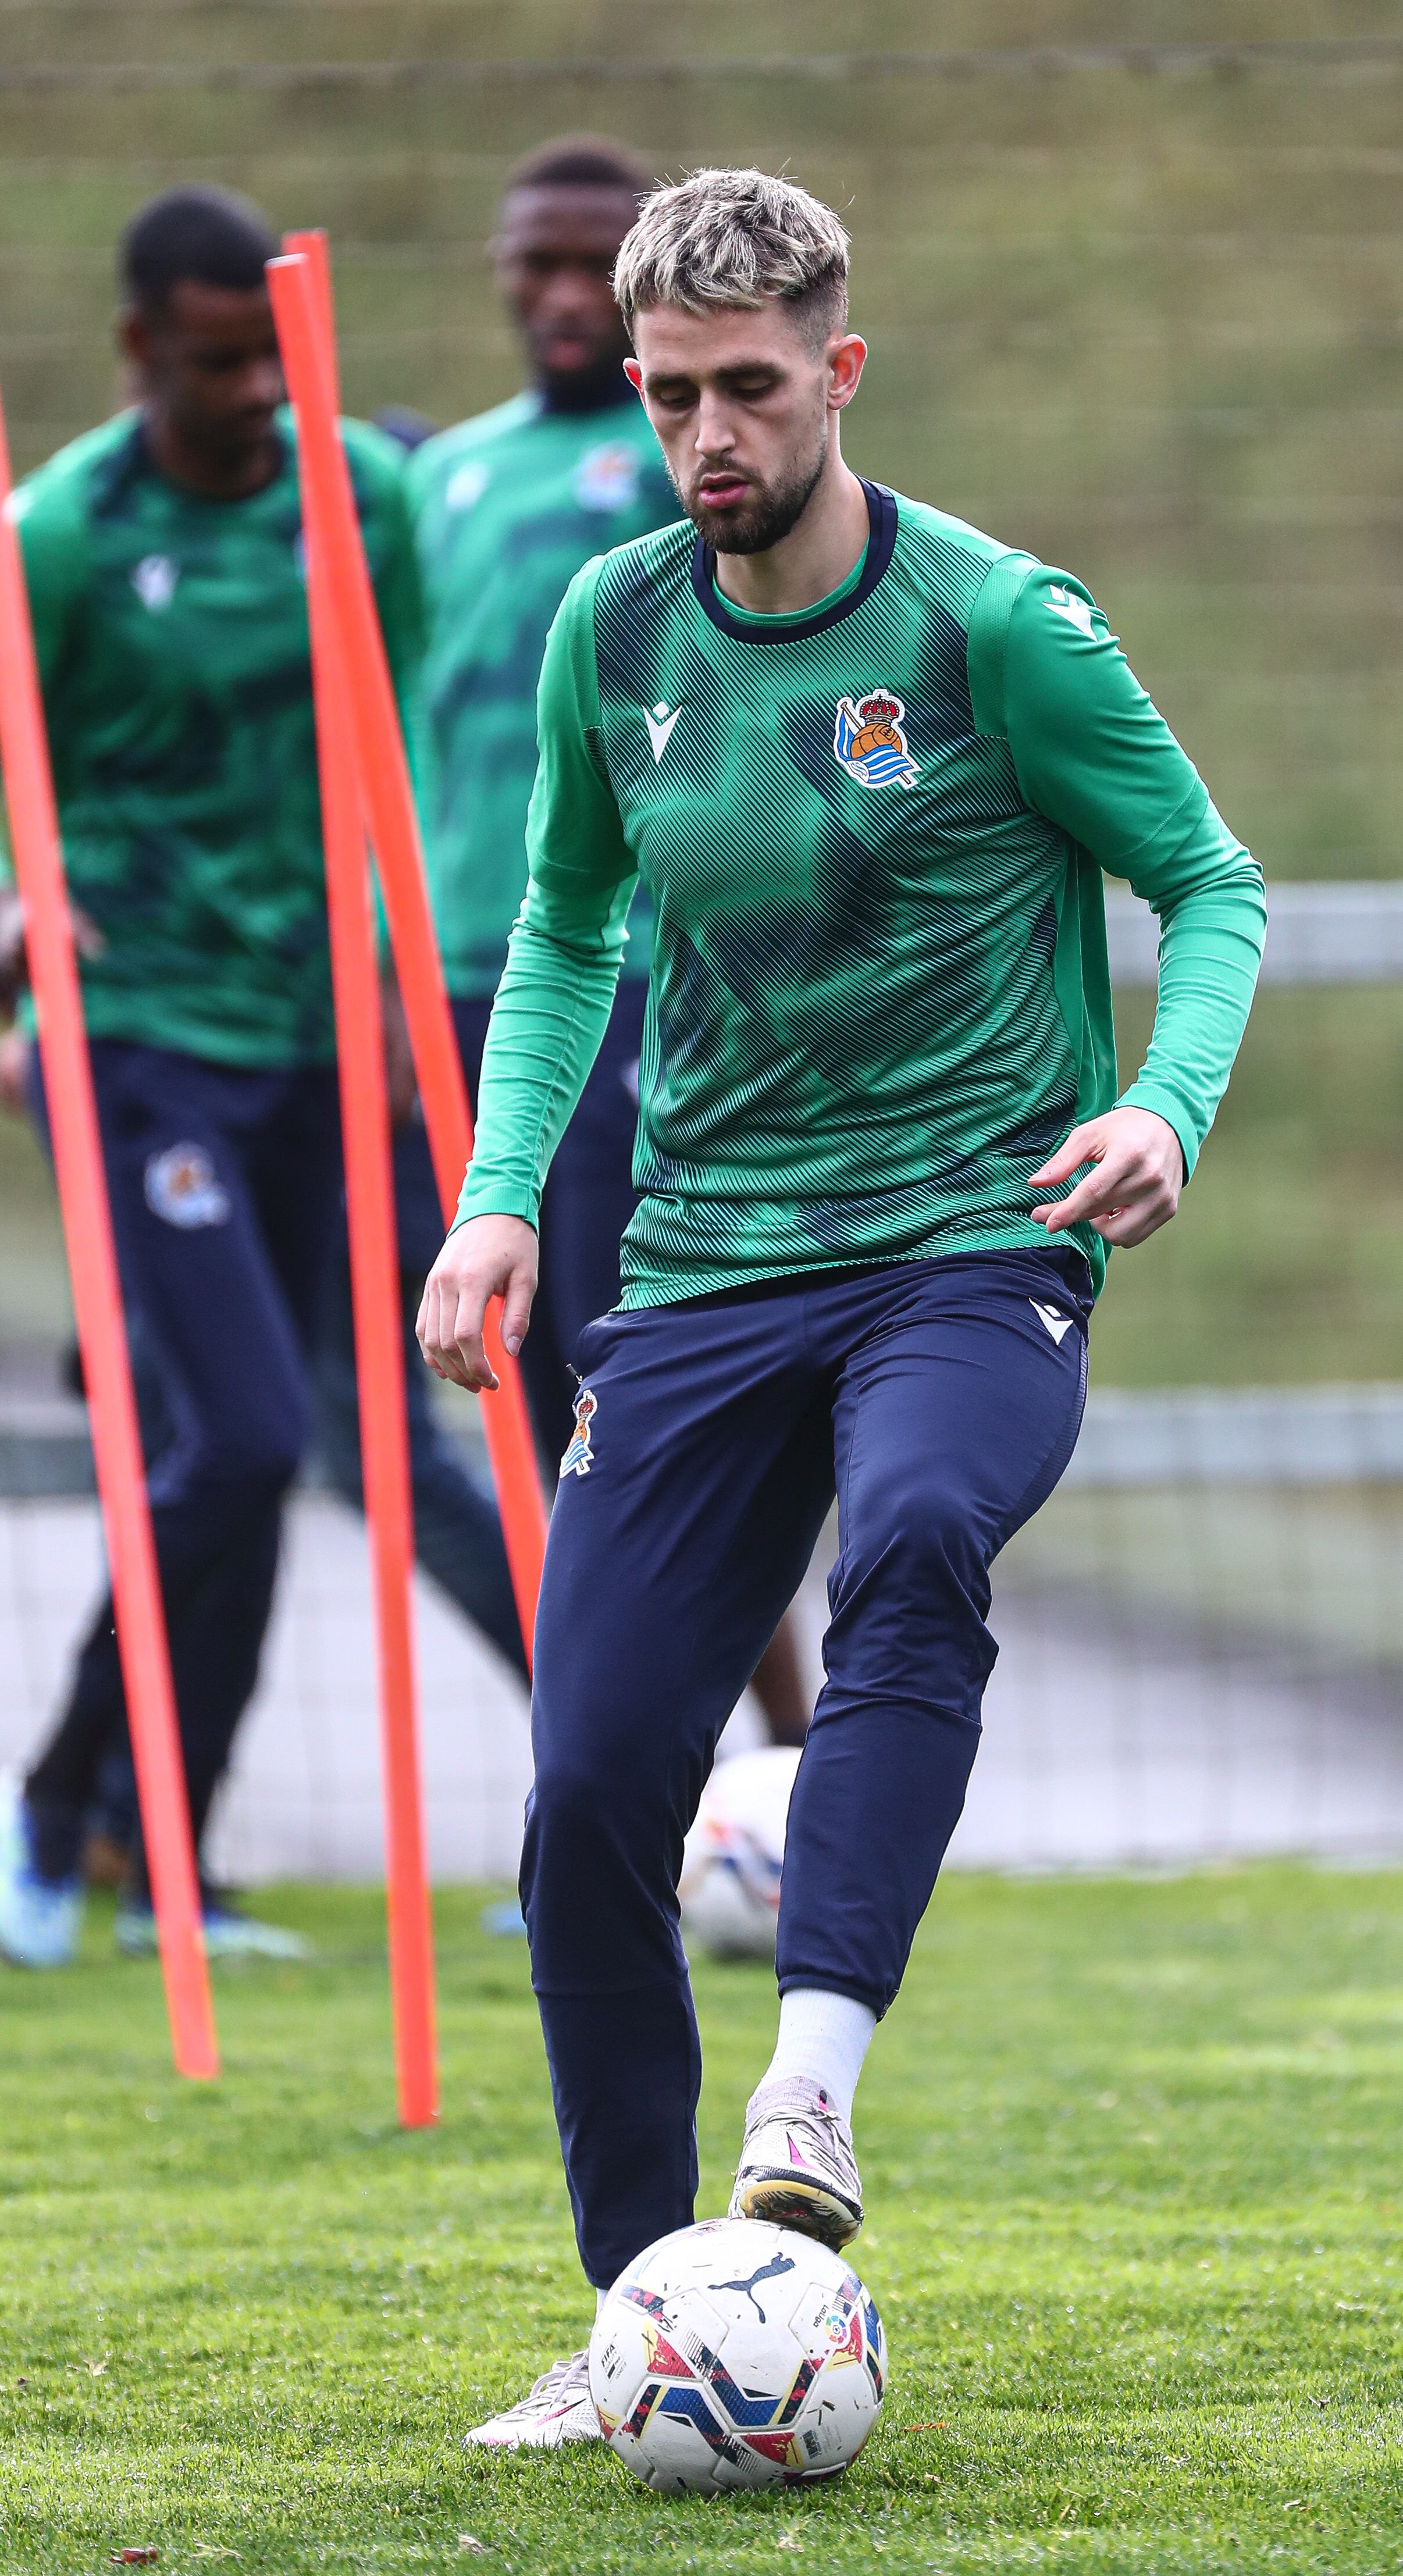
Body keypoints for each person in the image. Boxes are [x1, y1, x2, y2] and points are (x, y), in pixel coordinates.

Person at [418, 167, 1267, 2447]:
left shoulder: (996, 625)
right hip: (698, 1265)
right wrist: (502, 1204)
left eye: (746, 390)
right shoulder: (612, 627)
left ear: (837, 373)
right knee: (589, 1780)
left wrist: (1164, 1104)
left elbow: (1204, 878)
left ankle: (806, 2107)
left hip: (972, 1241)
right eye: (666, 392)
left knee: (908, 1547)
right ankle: (643, 2325)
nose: (703, 434)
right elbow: (563, 929)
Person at [332, 135, 807, 1734]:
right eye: (524, 262)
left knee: (649, 1373)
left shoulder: (695, 471)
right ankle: (620, 1768)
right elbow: (397, 724)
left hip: (641, 986)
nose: (548, 293)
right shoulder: (441, 478)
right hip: (464, 978)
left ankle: (793, 1755)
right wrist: (393, 972)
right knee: (504, 1383)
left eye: (578, 265)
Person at [0, 184, 423, 1966]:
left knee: (254, 1457)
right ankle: (53, 1809)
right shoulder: (65, 535)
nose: (249, 390)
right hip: (138, 1039)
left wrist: (409, 990)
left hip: (320, 1037)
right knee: (246, 1433)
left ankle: (164, 1852)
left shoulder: (365, 497)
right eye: (208, 361)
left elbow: (391, 743)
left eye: (270, 355)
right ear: (137, 353)